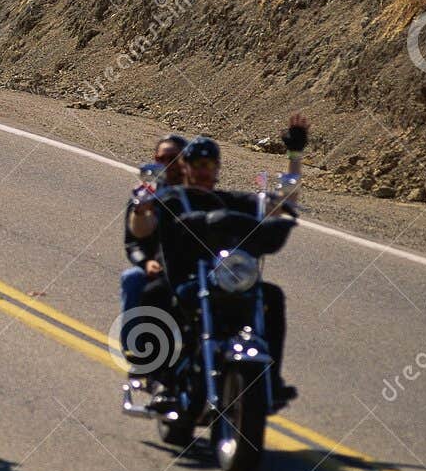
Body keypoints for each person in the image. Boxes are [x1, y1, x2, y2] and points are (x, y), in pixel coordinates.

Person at [125, 119, 306, 407]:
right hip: (184, 276)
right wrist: (141, 208)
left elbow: (282, 204)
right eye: (196, 165)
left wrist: (294, 157)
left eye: (208, 165)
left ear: (217, 169)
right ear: (186, 168)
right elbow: (141, 229)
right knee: (155, 293)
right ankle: (161, 378)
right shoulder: (170, 199)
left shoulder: (230, 201)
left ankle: (269, 379)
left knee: (271, 296)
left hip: (226, 277)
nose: (202, 171)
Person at [120, 134, 187, 313]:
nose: (166, 163)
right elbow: (132, 243)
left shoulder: (201, 192)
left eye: (172, 158)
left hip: (197, 268)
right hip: (159, 268)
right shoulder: (145, 196)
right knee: (132, 278)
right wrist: (146, 263)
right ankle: (132, 340)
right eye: (160, 158)